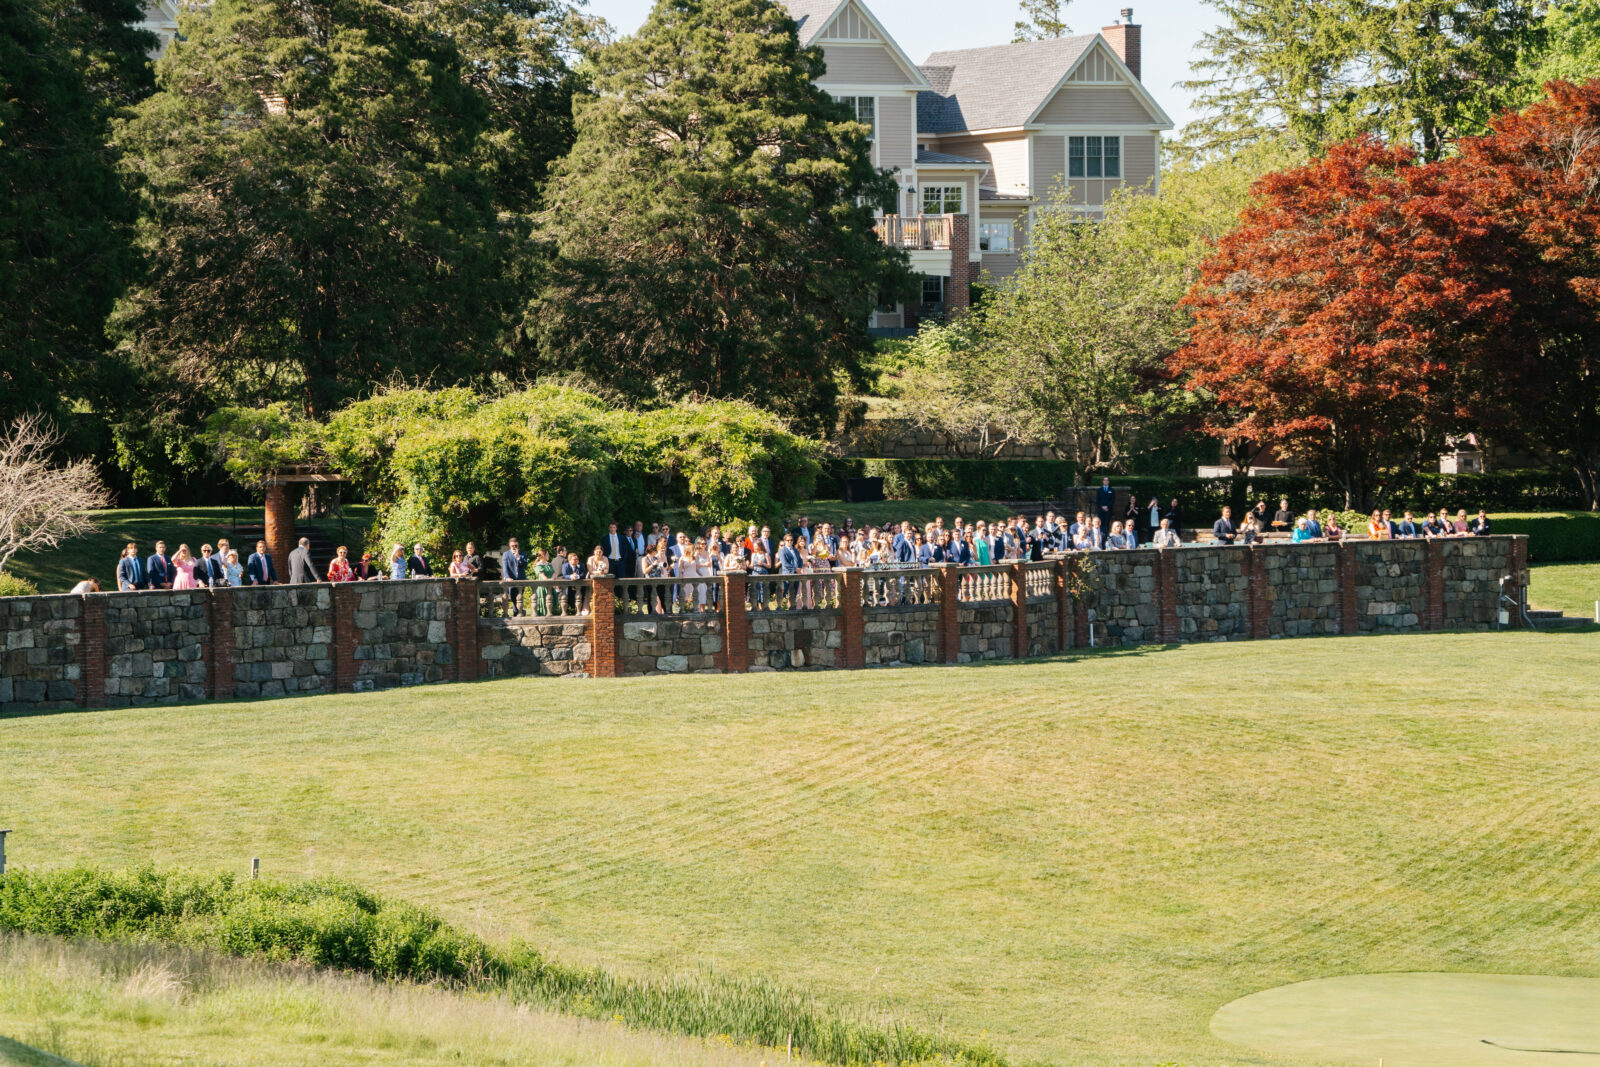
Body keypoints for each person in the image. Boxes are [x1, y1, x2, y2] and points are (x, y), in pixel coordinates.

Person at [500, 538, 528, 616]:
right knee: (513, 597)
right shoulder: (506, 554)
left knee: (520, 597)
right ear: (510, 545)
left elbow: (525, 565)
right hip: (511, 580)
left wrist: (518, 557)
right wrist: (507, 577)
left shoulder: (522, 554)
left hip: (521, 579)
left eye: (516, 545)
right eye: (513, 546)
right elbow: (505, 568)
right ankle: (518, 612)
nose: (514, 547)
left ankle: (518, 613)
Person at [533, 549, 556, 615]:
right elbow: (543, 577)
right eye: (547, 554)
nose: (549, 556)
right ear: (543, 555)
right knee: (544, 601)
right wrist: (550, 579)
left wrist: (553, 578)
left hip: (551, 585)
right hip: (543, 587)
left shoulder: (549, 564)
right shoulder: (539, 565)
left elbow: (554, 573)